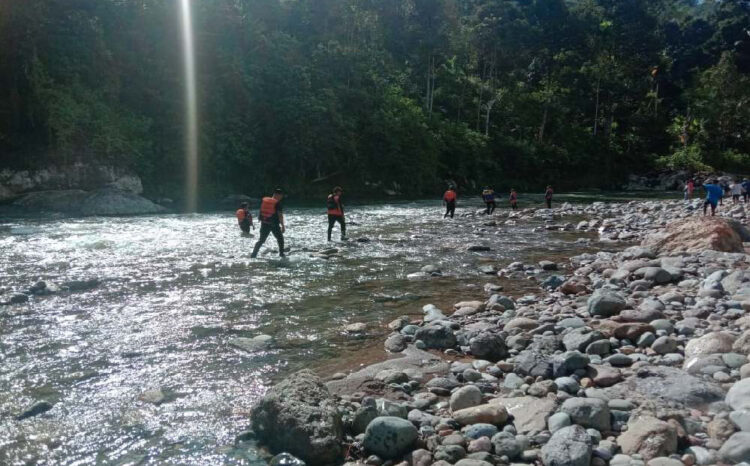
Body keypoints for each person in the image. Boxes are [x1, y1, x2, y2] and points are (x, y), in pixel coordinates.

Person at [250, 188, 286, 258]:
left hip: (264, 223)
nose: (281, 197)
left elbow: (261, 211)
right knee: (280, 239)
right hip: (274, 224)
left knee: (261, 240)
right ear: (277, 195)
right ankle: (281, 254)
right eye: (281, 196)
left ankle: (253, 255)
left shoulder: (265, 201)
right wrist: (283, 225)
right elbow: (280, 215)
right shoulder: (277, 203)